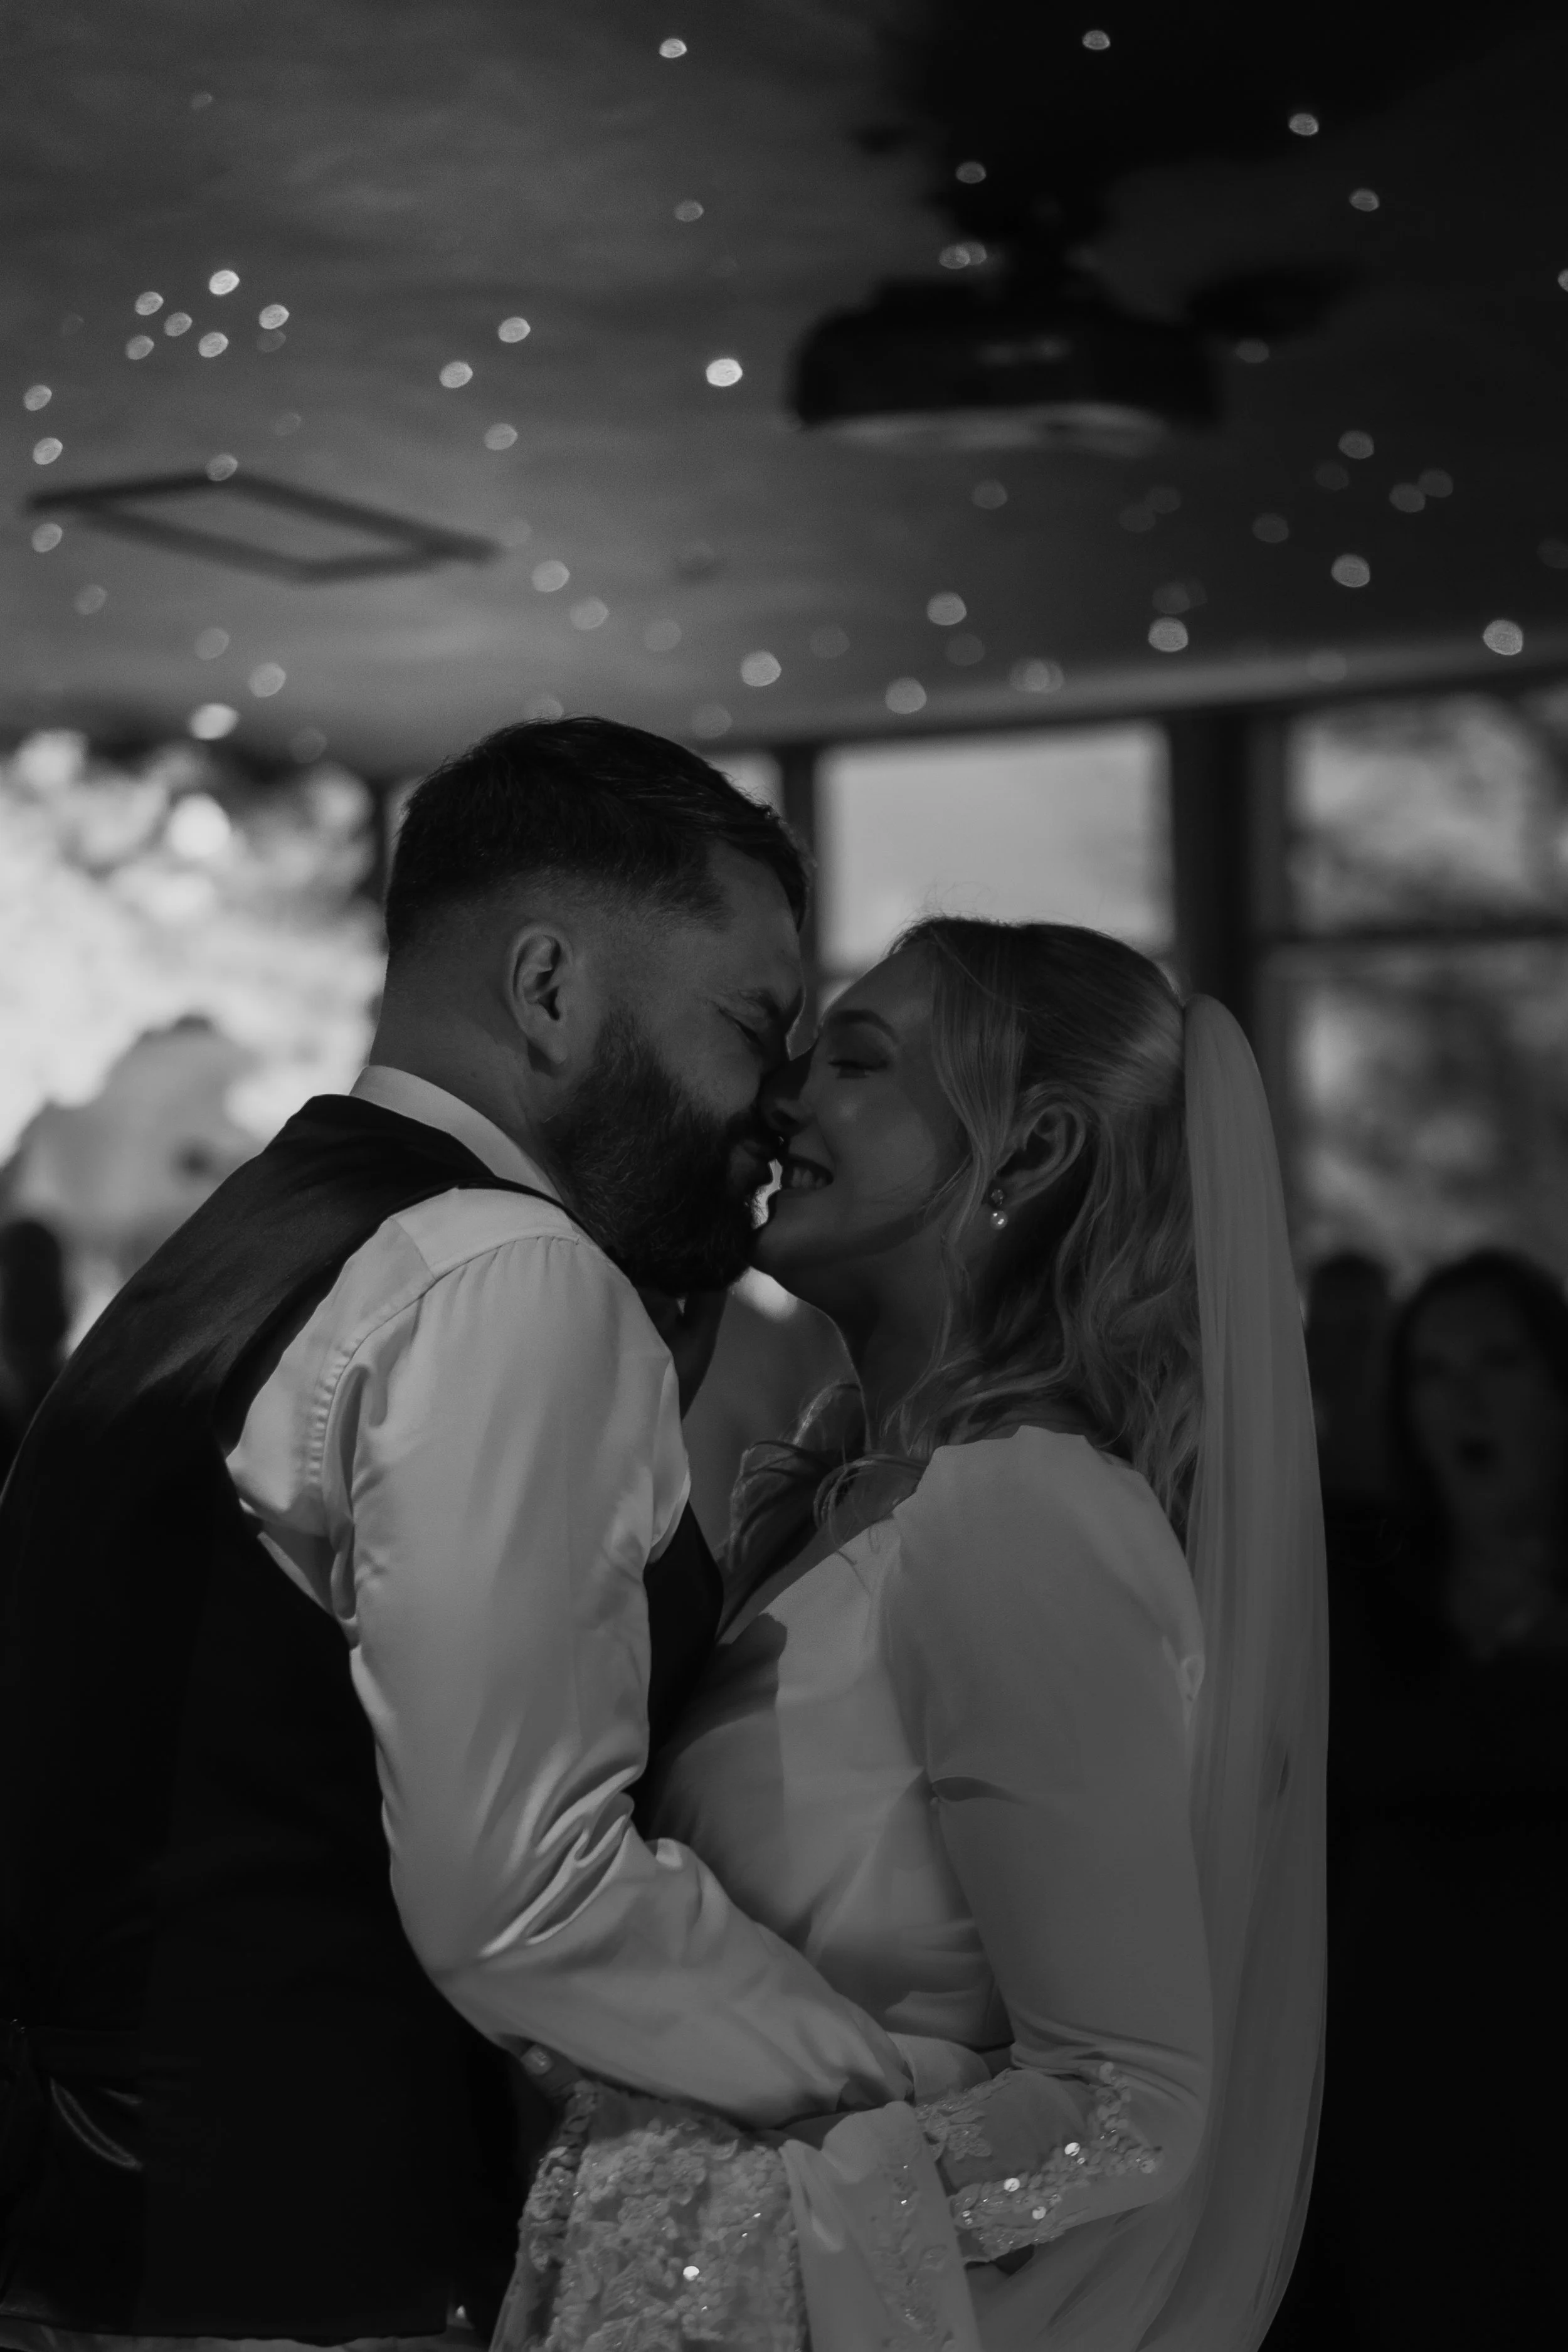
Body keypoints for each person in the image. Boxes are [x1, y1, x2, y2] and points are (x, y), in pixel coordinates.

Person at [0, 719, 975, 2348]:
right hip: (304, 2269)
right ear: (547, 986)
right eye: (750, 1027)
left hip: (103, 2236)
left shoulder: (250, 1235)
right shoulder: (502, 1274)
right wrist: (895, 2091)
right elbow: (523, 1890)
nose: (771, 1108)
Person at [499, 918, 1328, 2352]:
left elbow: (1130, 2105)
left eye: (856, 1066)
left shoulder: (1019, 1512)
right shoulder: (859, 1500)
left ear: (1027, 1156)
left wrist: (720, 2231)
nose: (783, 1100)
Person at [1327, 1248, 1568, 2346]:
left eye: (1499, 1362)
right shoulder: (1362, 1581)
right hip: (1387, 2076)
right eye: (1433, 1370)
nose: (1465, 1398)